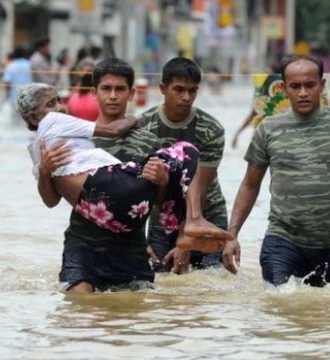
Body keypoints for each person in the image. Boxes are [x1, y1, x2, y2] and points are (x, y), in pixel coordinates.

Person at [35, 58, 229, 293]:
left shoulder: (148, 141)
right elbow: (51, 201)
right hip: (84, 244)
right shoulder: (76, 141)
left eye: (120, 89)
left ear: (131, 93)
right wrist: (45, 172)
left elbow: (158, 201)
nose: (113, 96)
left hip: (132, 247)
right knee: (79, 312)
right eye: (106, 89)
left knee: (133, 322)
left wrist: (162, 181)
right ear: (94, 93)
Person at [227, 55, 330, 288]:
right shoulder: (268, 128)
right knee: (279, 302)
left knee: (324, 315)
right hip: (282, 240)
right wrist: (232, 233)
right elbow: (250, 184)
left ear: (322, 85)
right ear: (283, 88)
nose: (303, 92)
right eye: (295, 86)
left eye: (310, 85)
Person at [139, 57, 230, 273]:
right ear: (163, 88)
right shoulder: (144, 127)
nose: (186, 97)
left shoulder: (211, 129)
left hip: (207, 213)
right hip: (163, 214)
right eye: (179, 89)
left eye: (192, 91)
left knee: (209, 285)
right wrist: (136, 241)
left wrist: (186, 240)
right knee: (159, 283)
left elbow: (200, 188)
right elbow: (137, 189)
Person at [2, 47, 32, 123]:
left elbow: (7, 82)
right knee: (27, 119)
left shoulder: (10, 66)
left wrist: (7, 94)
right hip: (30, 96)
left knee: (15, 119)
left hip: (14, 96)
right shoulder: (30, 65)